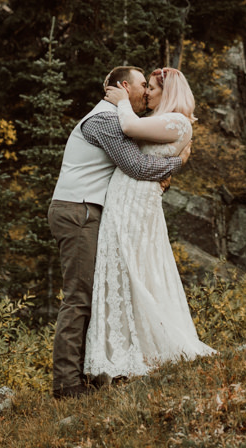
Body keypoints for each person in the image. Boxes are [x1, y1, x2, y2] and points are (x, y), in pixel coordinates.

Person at [47, 65, 189, 400]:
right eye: (142, 85)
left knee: (94, 294)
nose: (146, 91)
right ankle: (66, 386)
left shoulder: (115, 117)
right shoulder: (106, 120)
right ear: (125, 87)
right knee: (80, 296)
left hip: (86, 210)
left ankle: (90, 373)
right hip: (78, 210)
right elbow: (136, 166)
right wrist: (177, 164)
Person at [85, 66, 215, 379]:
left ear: (167, 92)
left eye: (152, 89)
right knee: (123, 266)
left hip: (135, 201)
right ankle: (128, 345)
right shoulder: (159, 121)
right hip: (127, 196)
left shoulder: (177, 121)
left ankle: (147, 347)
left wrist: (121, 100)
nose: (147, 94)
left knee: (134, 267)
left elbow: (128, 128)